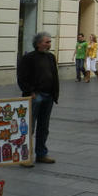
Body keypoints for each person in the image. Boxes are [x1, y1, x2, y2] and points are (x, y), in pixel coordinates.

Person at [16, 31, 59, 166]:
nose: (49, 44)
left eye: (49, 42)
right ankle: (25, 156)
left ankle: (41, 154)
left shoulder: (51, 57)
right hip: (35, 96)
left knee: (43, 127)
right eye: (47, 42)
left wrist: (54, 93)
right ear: (39, 43)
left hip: (48, 96)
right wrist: (30, 92)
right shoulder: (28, 58)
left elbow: (54, 75)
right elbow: (22, 77)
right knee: (29, 127)